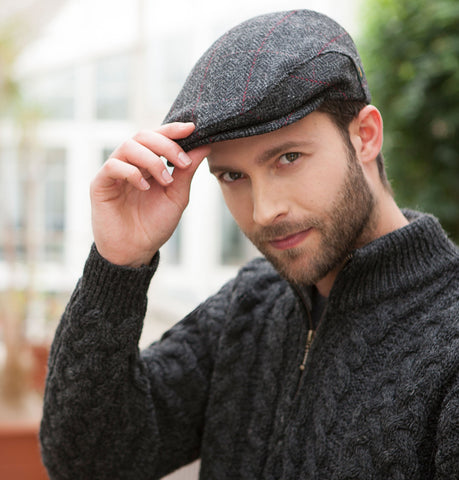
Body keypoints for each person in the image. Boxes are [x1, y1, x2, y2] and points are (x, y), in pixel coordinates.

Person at [40, 9, 458, 480]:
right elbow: (87, 461)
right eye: (233, 176)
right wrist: (117, 266)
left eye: (288, 158)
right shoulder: (249, 305)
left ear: (365, 136)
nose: (263, 211)